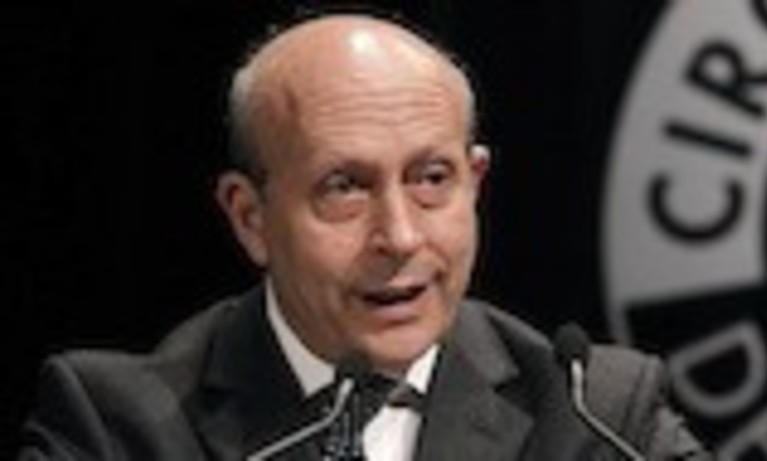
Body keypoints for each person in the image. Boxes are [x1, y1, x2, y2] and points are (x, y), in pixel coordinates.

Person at [18, 12, 710, 461]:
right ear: (250, 217)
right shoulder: (118, 428)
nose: (400, 236)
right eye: (344, 187)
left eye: (431, 179)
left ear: (475, 183)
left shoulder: (595, 412)